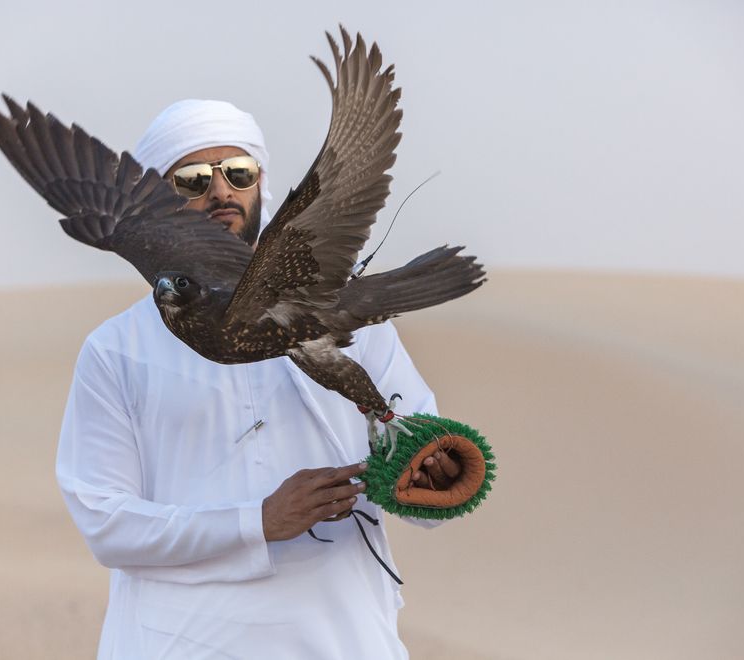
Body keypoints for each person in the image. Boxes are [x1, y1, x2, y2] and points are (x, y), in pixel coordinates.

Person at [56, 99, 462, 659]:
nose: (221, 191)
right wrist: (255, 523)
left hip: (341, 639)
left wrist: (433, 475)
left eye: (238, 173)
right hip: (180, 644)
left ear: (260, 183)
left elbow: (415, 448)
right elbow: (105, 522)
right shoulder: (117, 349)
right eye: (193, 179)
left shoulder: (343, 321)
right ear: (158, 204)